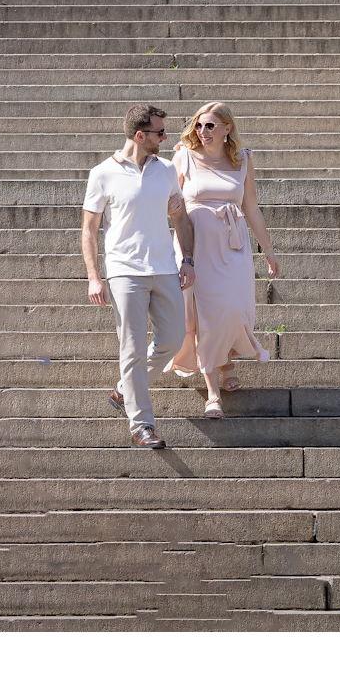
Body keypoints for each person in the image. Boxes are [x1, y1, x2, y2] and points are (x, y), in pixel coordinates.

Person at [81, 102, 195, 450]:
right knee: (131, 349)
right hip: (124, 271)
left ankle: (122, 389)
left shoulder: (165, 169)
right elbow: (89, 229)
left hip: (163, 267)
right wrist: (93, 276)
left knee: (173, 340)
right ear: (140, 135)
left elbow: (180, 218)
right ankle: (142, 424)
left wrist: (187, 259)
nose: (165, 137)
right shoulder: (103, 173)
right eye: (160, 132)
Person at [164, 100, 278, 416]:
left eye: (210, 125)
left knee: (232, 310)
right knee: (202, 315)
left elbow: (251, 207)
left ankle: (225, 360)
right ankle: (212, 390)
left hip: (233, 246)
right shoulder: (183, 157)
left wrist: (268, 251)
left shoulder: (242, 160)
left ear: (227, 128)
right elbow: (169, 203)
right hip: (196, 246)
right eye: (198, 125)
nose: (203, 132)